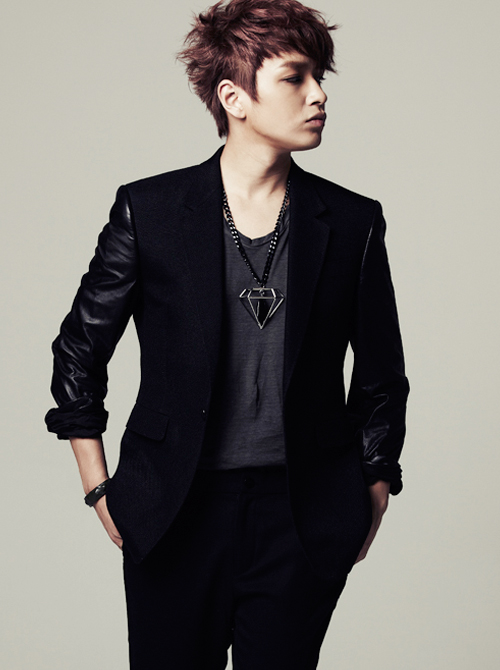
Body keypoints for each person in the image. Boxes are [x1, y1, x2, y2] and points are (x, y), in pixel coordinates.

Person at [45, 0, 409, 668]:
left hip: (302, 514)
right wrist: (98, 486)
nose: (319, 95)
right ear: (234, 98)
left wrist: (376, 484)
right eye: (295, 77)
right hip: (173, 509)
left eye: (319, 77)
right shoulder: (151, 211)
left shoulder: (353, 222)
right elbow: (79, 351)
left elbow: (382, 376)